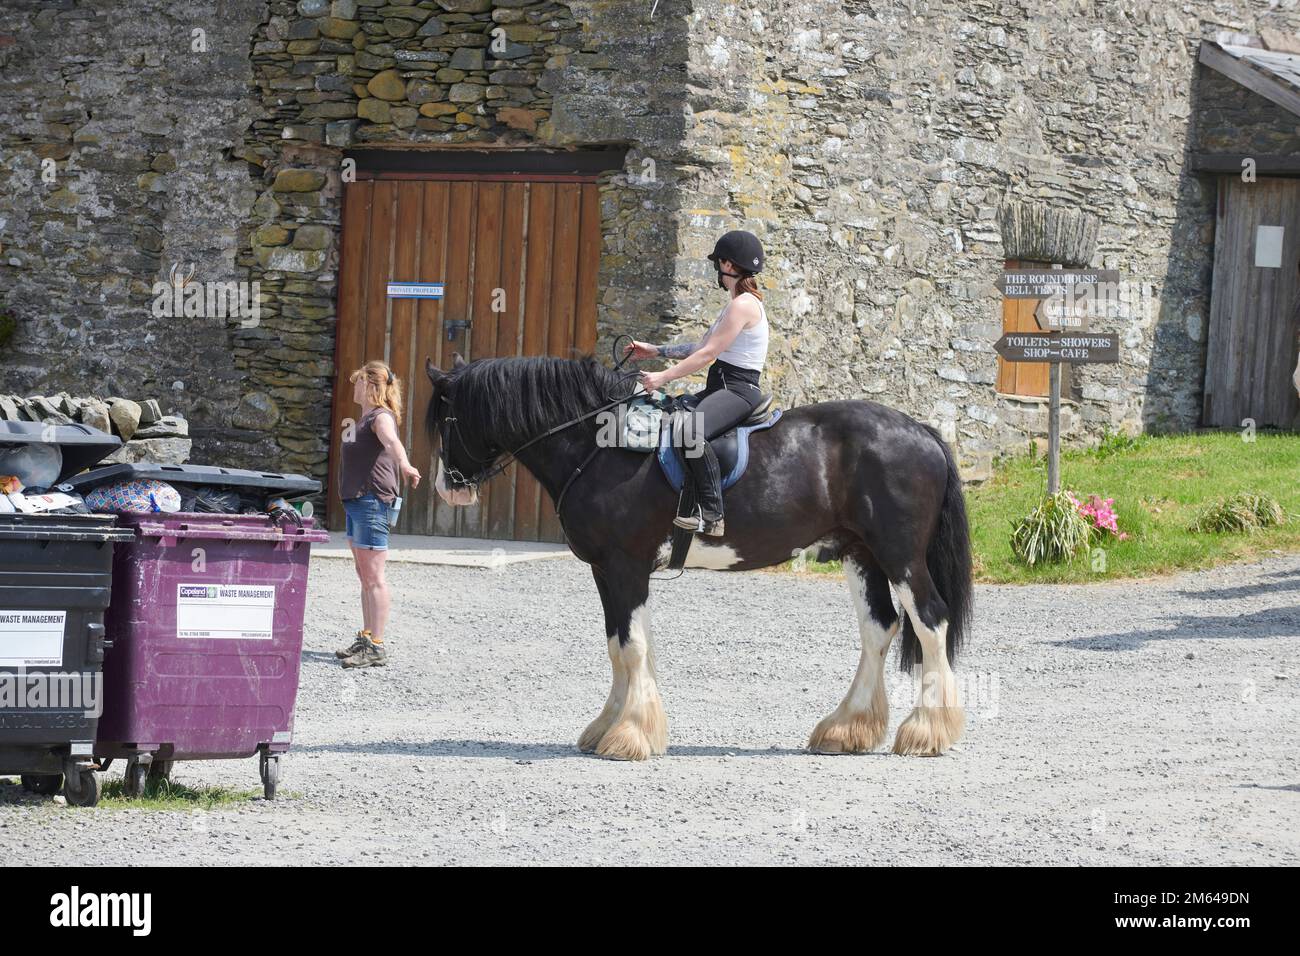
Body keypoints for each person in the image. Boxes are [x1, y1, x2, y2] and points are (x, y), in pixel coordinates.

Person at [625, 229, 770, 536]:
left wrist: (662, 377)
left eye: (718, 263)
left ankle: (713, 513)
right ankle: (682, 506)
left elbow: (708, 354)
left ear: (728, 266)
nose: (716, 270)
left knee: (691, 431)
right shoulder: (736, 304)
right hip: (723, 387)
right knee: (675, 415)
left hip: (739, 390)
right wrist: (656, 351)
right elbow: (701, 345)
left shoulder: (743, 304)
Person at [335, 360, 421, 668]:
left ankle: (377, 646)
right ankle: (367, 637)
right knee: (364, 576)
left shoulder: (381, 417)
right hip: (357, 503)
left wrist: (406, 465)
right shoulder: (364, 418)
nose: (354, 386)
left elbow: (392, 442)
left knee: (374, 577)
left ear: (371, 385)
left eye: (358, 381)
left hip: (372, 502)